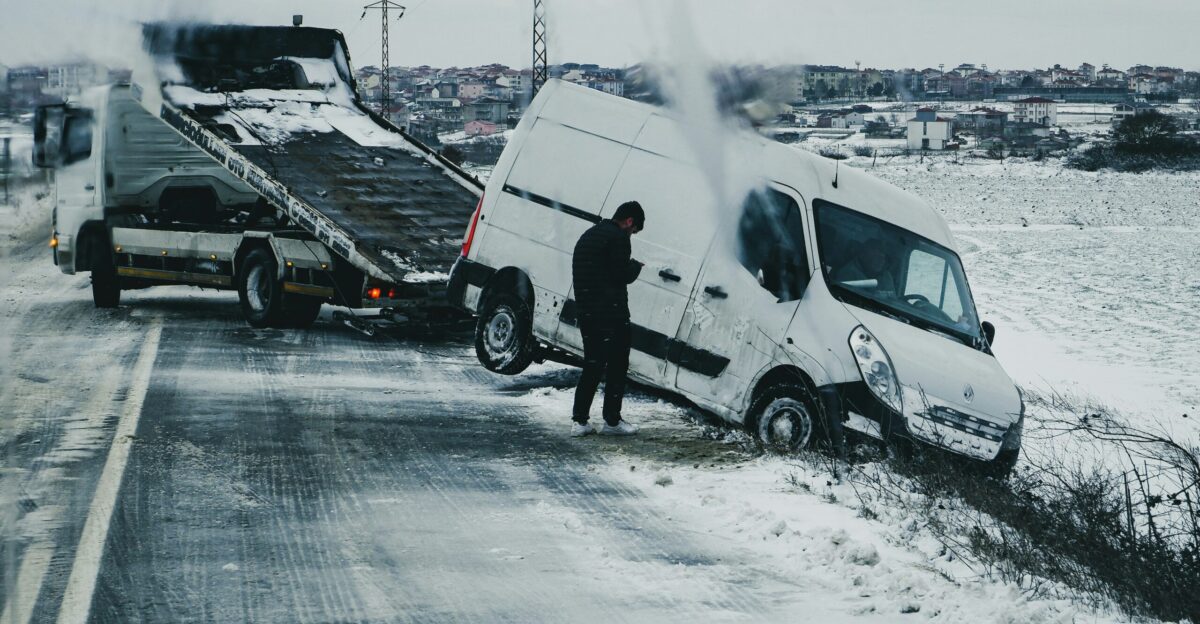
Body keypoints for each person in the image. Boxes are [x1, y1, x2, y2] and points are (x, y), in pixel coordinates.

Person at [570, 201, 645, 437]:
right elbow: (620, 274)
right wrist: (635, 267)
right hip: (612, 314)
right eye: (634, 231)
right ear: (630, 221)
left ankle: (579, 421)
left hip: (587, 312)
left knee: (592, 365)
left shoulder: (589, 235)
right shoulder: (618, 238)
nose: (632, 235)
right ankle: (612, 421)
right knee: (617, 366)